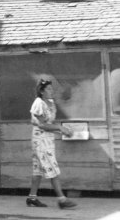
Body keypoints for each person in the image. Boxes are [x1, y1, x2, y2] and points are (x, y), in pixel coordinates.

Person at [26, 79, 77, 209]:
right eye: (48, 89)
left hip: (48, 139)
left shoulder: (51, 103)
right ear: (42, 91)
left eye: (51, 88)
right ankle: (62, 200)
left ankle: (32, 198)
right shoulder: (38, 103)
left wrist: (61, 132)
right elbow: (42, 124)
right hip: (40, 141)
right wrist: (60, 128)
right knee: (52, 169)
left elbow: (50, 124)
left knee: (38, 170)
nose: (51, 91)